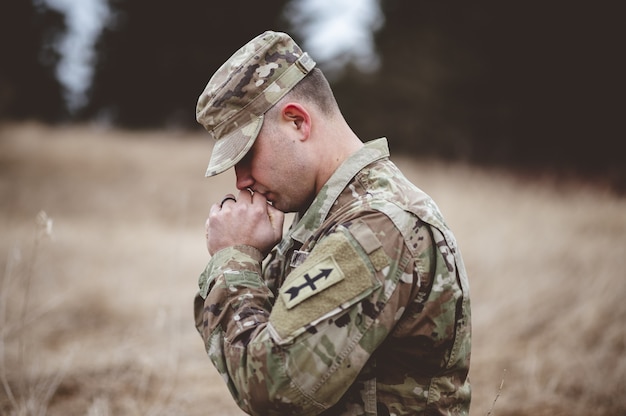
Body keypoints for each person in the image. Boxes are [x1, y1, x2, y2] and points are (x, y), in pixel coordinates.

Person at [193, 31, 471, 416]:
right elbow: (259, 341)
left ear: (296, 122)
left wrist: (234, 260)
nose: (240, 181)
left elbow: (273, 387)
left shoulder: (377, 225)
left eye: (246, 155)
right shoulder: (328, 216)